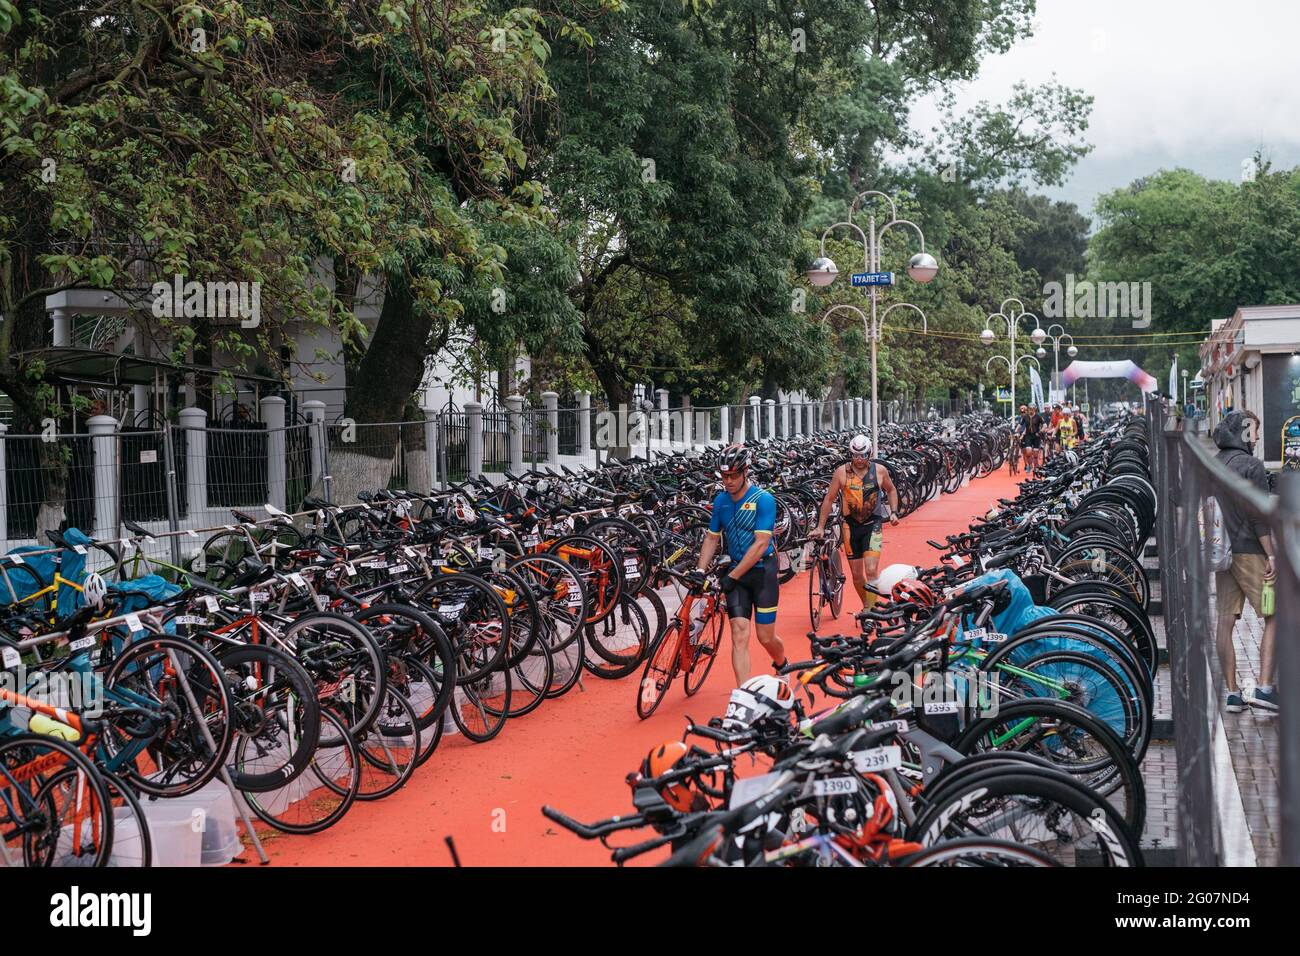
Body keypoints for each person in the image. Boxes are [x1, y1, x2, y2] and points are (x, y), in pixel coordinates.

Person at [688, 444, 787, 685]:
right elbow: (712, 537)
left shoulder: (763, 500)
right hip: (737, 575)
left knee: (765, 637)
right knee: (739, 634)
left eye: (733, 475)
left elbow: (761, 543)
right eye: (724, 476)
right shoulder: (721, 501)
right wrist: (700, 570)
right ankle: (744, 693)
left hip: (762, 573)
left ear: (745, 472)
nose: (729, 481)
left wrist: (732, 576)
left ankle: (782, 663)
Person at [1212, 411, 1278, 713]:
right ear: (1243, 433)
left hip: (1221, 552)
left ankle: (1232, 693)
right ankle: (1265, 688)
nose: (1256, 436)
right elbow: (1258, 516)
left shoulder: (1214, 463)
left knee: (1225, 622)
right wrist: (1272, 553)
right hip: (1249, 550)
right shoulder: (1251, 465)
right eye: (1253, 430)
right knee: (1275, 615)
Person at [813, 434, 900, 611]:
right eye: (855, 455)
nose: (859, 459)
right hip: (850, 527)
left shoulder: (880, 471)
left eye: (863, 455)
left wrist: (893, 512)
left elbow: (891, 490)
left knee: (871, 570)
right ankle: (867, 604)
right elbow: (829, 499)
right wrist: (820, 526)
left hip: (873, 526)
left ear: (869, 454)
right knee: (857, 575)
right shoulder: (841, 472)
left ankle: (869, 610)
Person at [1018, 404, 1043, 476]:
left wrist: (1041, 431)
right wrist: (1016, 431)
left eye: (1032, 409)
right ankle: (1030, 465)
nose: (1031, 410)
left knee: (1035, 454)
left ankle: (1036, 467)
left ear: (1035, 409)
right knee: (1028, 451)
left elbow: (1044, 425)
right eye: (1029, 409)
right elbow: (1020, 425)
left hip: (1036, 436)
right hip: (1028, 436)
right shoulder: (1026, 417)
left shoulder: (1038, 416)